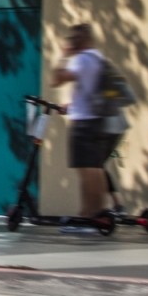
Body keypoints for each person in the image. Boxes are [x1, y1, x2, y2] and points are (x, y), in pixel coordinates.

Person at [51, 23, 117, 223]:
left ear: (82, 39)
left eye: (75, 38)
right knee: (95, 168)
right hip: (99, 120)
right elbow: (91, 91)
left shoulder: (81, 60)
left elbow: (56, 79)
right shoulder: (98, 58)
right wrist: (73, 105)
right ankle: (99, 214)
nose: (73, 42)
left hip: (83, 124)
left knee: (86, 171)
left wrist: (64, 55)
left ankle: (89, 216)